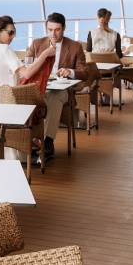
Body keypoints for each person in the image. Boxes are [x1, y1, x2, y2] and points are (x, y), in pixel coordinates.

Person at [26, 13, 88, 159]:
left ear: (64, 28)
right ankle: (28, 141)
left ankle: (47, 142)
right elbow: (27, 65)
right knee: (26, 97)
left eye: (57, 30)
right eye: (50, 30)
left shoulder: (75, 46)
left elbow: (84, 73)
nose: (53, 34)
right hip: (40, 88)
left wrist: (70, 72)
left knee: (55, 96)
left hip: (63, 91)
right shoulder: (37, 44)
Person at [0, 16, 55, 86]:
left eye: (14, 33)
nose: (13, 36)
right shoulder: (4, 49)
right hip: (9, 95)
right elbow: (27, 74)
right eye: (10, 32)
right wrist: (45, 53)